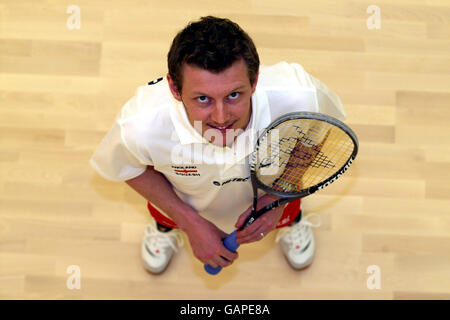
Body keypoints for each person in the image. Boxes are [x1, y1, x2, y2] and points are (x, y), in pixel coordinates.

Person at [89, 16, 346, 274]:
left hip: (274, 190)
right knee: (166, 216)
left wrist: (279, 197)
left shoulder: (301, 97)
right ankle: (166, 228)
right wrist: (188, 221)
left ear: (255, 80)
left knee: (289, 209)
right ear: (174, 89)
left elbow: (317, 133)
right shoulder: (139, 126)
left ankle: (291, 222)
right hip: (184, 201)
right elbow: (127, 167)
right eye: (203, 99)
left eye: (234, 95)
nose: (221, 118)